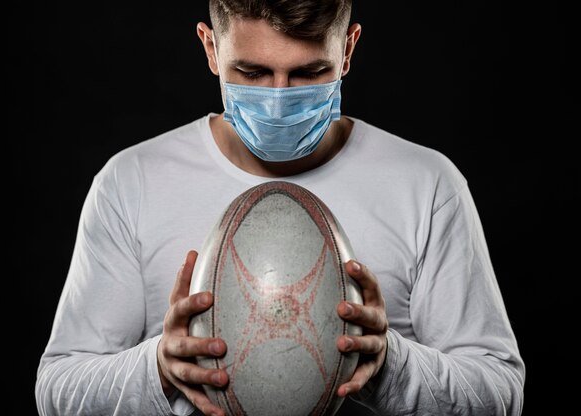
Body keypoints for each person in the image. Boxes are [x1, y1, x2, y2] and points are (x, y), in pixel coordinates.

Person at [35, 1, 525, 415]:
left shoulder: (428, 183)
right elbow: (56, 389)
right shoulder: (131, 181)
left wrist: (390, 366)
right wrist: (160, 369)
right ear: (210, 48)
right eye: (252, 72)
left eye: (310, 73)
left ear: (348, 49)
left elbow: (502, 392)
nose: (277, 99)